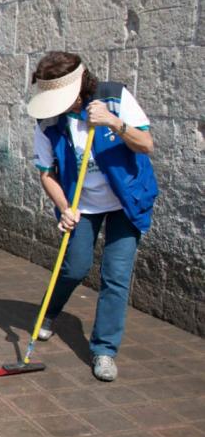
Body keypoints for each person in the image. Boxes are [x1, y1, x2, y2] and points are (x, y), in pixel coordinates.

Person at [28, 52, 157, 382]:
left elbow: (146, 144)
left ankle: (104, 350)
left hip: (125, 201)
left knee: (115, 275)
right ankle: (49, 312)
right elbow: (46, 173)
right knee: (76, 265)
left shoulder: (115, 98)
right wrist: (65, 207)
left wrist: (116, 123)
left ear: (80, 87)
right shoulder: (49, 123)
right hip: (81, 204)